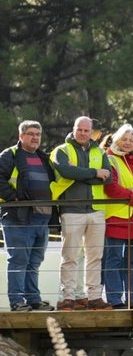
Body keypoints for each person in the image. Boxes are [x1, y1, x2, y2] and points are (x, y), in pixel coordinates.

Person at [51, 116, 113, 311]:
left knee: (95, 256)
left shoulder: (100, 151)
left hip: (96, 209)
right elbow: (66, 172)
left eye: (87, 130)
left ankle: (94, 297)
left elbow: (108, 177)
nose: (83, 133)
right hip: (71, 209)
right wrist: (94, 173)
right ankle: (68, 297)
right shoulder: (61, 150)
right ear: (74, 129)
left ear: (91, 131)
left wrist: (81, 174)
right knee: (70, 255)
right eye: (80, 129)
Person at [0, 121, 57, 311]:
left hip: (42, 217)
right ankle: (17, 302)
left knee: (34, 261)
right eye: (31, 134)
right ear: (21, 136)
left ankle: (34, 300)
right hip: (18, 217)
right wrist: (13, 197)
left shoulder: (44, 158)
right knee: (18, 260)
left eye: (38, 134)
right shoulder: (11, 155)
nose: (35, 138)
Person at [102, 124, 133, 310]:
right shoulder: (109, 159)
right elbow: (111, 186)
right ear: (117, 140)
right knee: (114, 259)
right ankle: (115, 300)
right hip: (116, 217)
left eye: (131, 140)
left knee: (131, 261)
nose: (128, 143)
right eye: (124, 139)